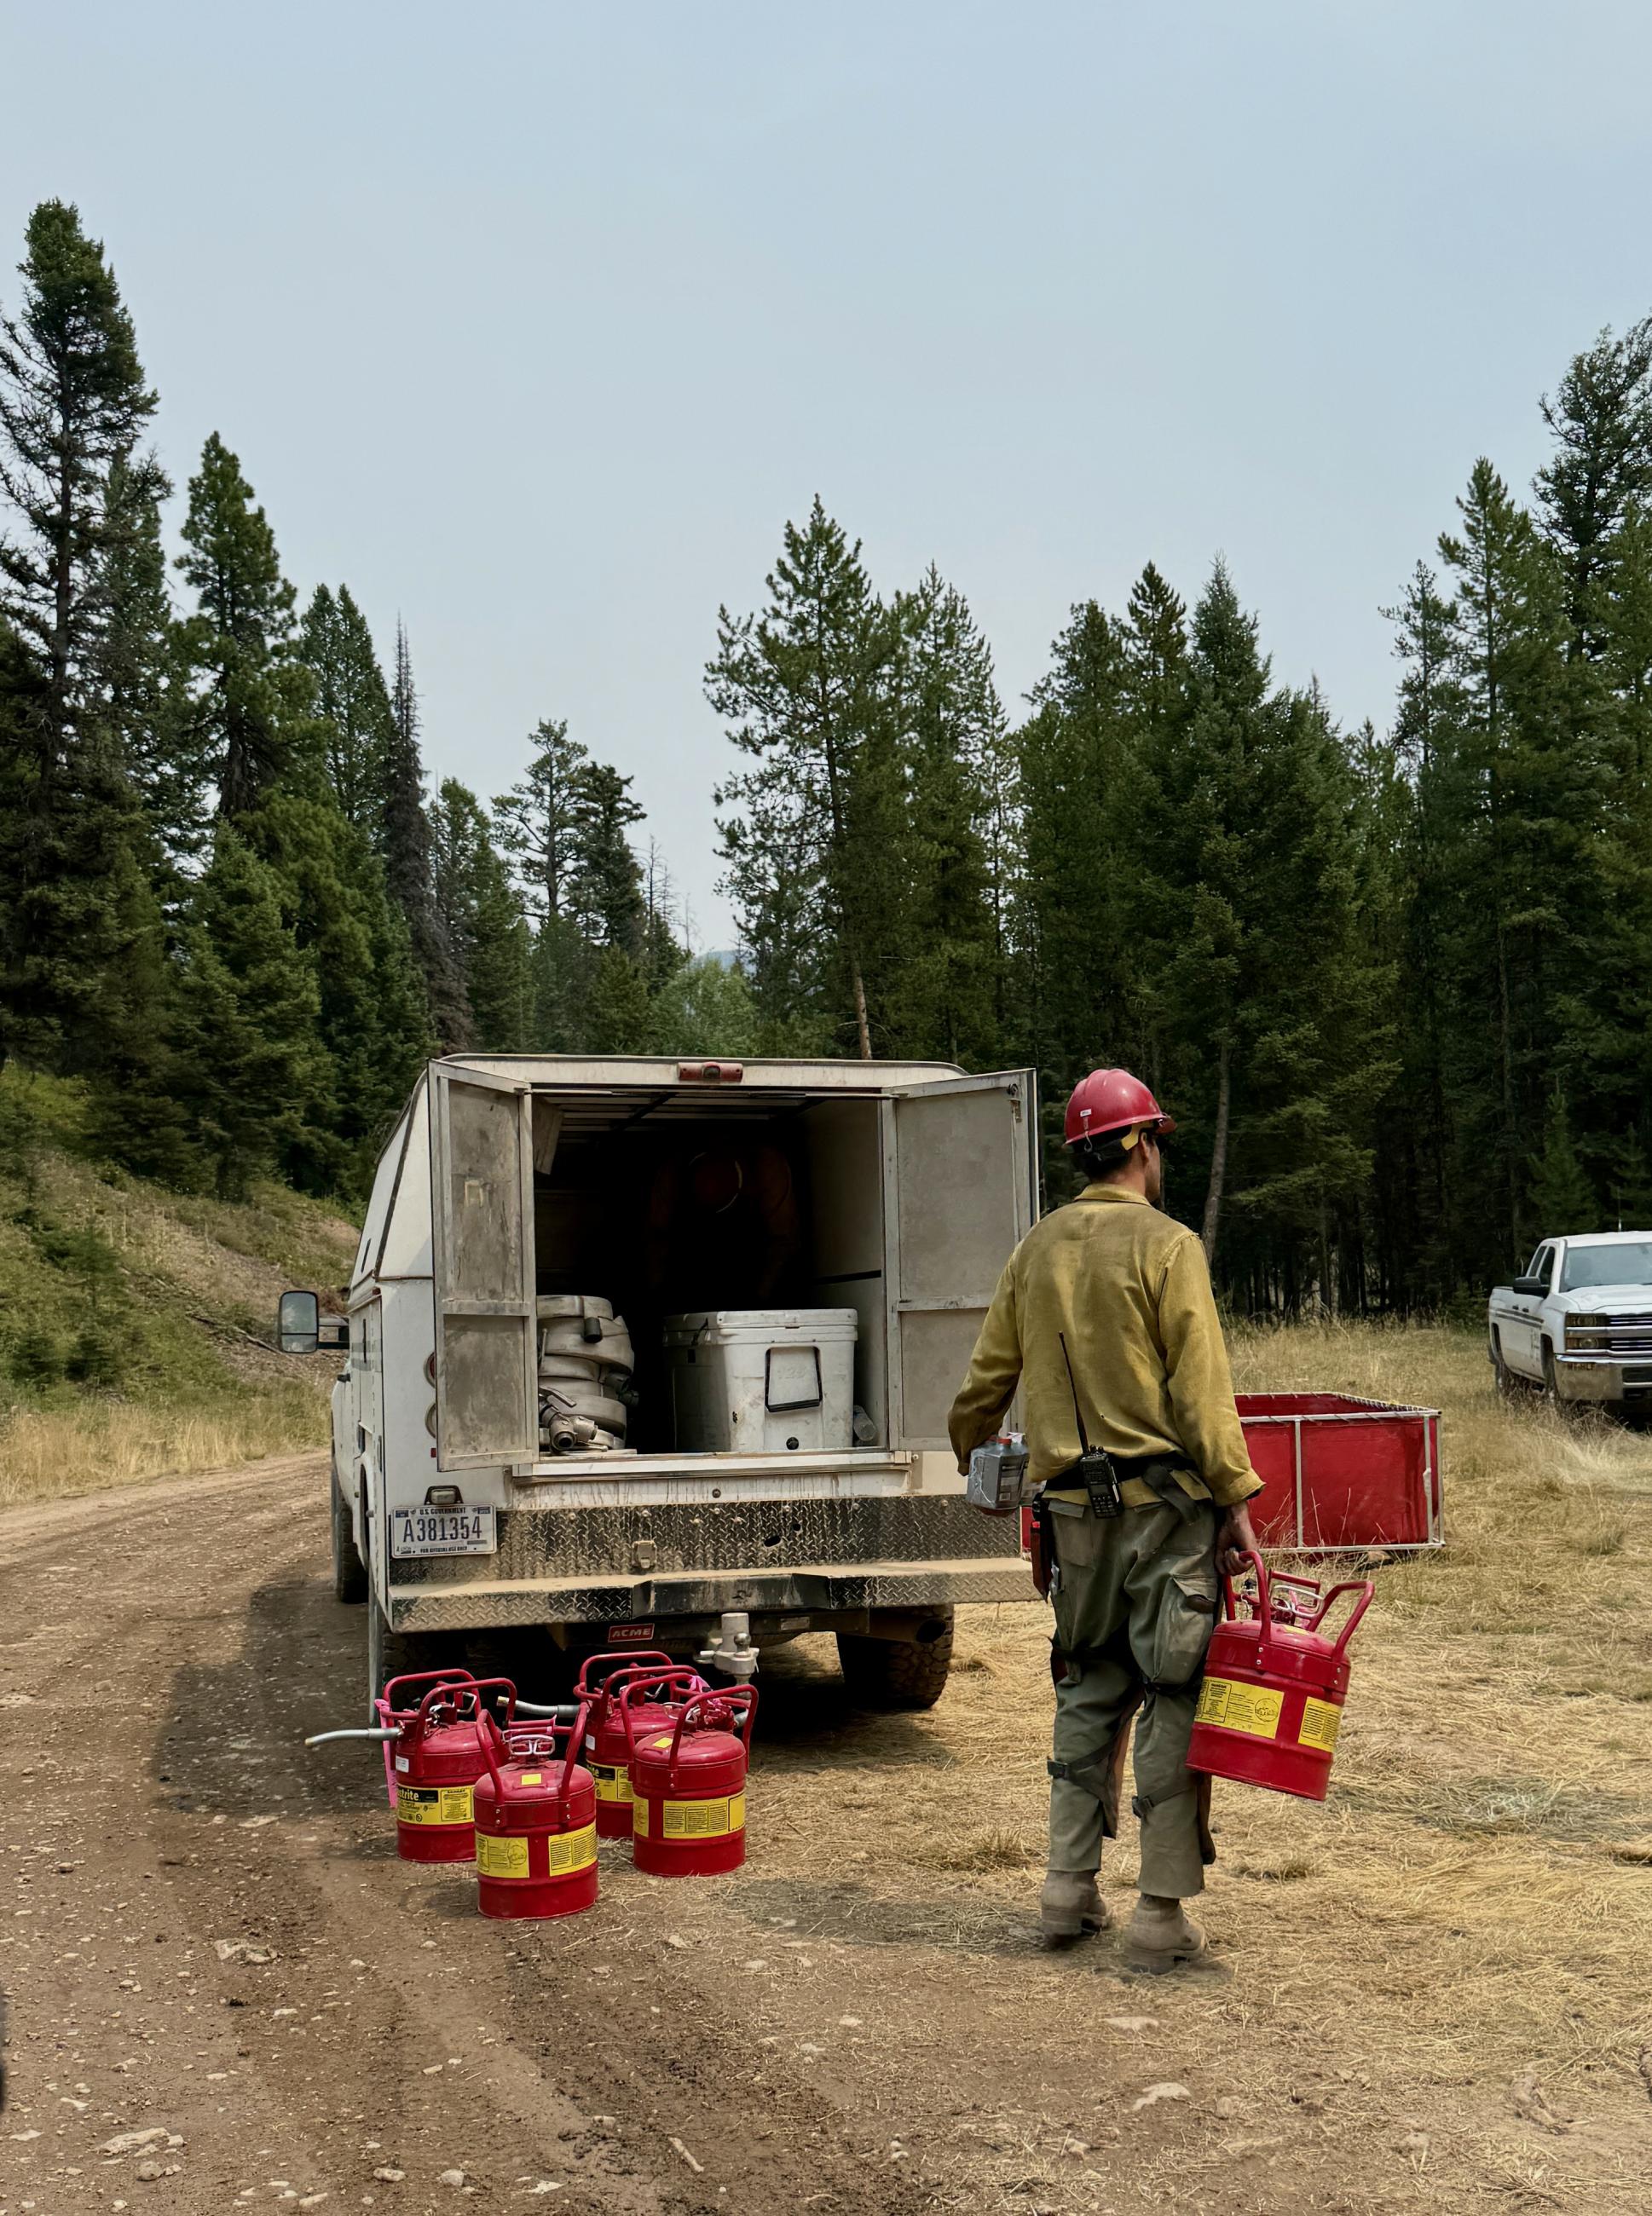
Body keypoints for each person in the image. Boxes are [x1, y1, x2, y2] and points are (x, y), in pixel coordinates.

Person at [948, 1067, 1262, 1972]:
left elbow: (983, 1384)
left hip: (1074, 1520)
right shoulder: (1169, 1247)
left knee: (1086, 1688)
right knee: (1170, 1694)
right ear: (1140, 1146)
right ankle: (1158, 1914)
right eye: (1156, 1139)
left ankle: (1064, 1889)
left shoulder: (1034, 1249)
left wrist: (975, 1444)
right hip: (1165, 1515)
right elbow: (1202, 1395)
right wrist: (1235, 1499)